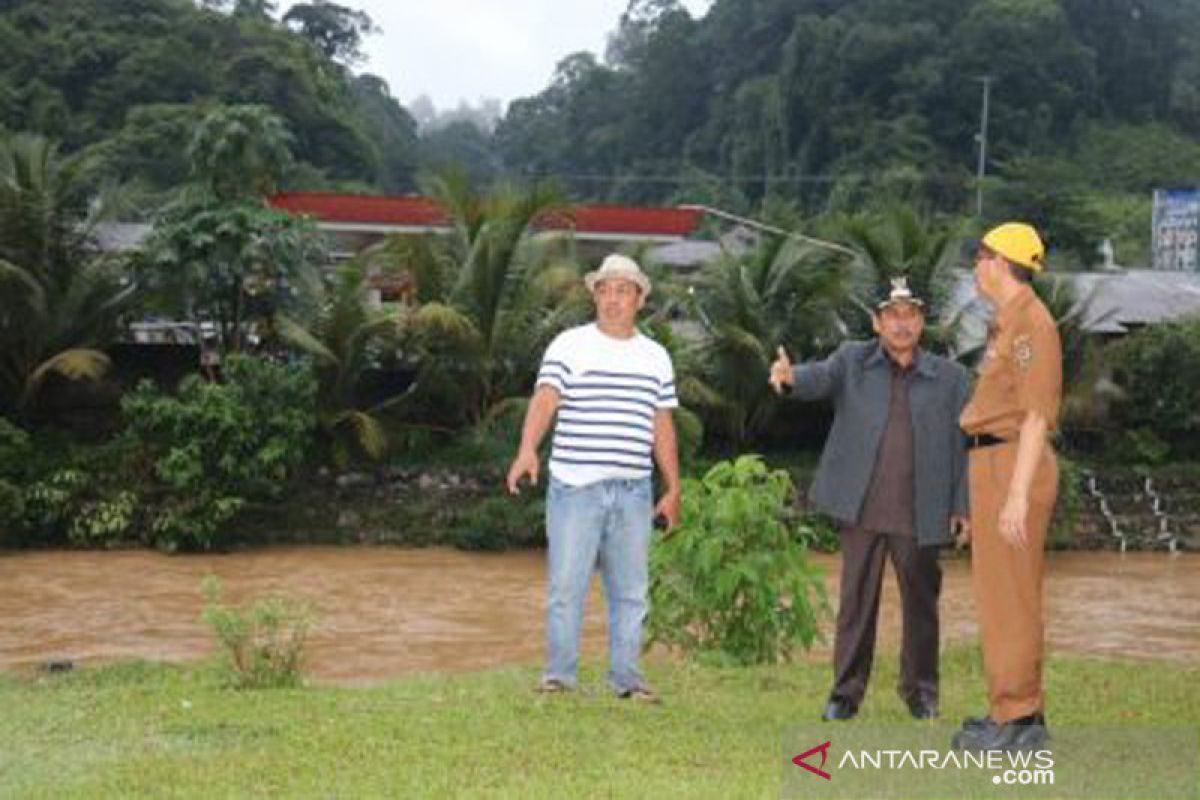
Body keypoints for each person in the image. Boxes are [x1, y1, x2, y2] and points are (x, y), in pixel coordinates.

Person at [768, 277, 970, 722]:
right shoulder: (852, 362)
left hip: (922, 510)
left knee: (922, 607)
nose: (902, 324)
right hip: (861, 508)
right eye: (893, 316)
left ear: (922, 322)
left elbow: (963, 447)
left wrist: (962, 506)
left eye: (911, 314)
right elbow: (816, 378)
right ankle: (845, 694)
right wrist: (788, 378)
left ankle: (921, 692)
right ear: (877, 323)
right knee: (856, 603)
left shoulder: (951, 378)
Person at [506, 253, 680, 703]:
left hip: (633, 492)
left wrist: (672, 487)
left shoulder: (655, 357)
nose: (612, 299)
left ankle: (628, 680)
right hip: (575, 487)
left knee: (632, 592)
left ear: (639, 299)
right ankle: (559, 677)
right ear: (595, 296)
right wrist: (527, 449)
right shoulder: (569, 345)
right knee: (566, 587)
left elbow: (661, 424)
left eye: (623, 291)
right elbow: (545, 400)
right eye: (605, 290)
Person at [952, 222, 1061, 751]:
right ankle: (1011, 709)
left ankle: (1018, 719)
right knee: (1000, 596)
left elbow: (1037, 413)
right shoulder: (1010, 323)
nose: (975, 267)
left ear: (999, 261)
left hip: (1011, 465)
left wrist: (1017, 494)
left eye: (980, 257)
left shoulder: (1031, 326)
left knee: (1011, 597)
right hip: (993, 464)